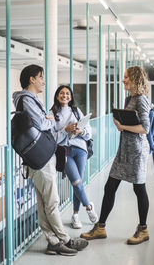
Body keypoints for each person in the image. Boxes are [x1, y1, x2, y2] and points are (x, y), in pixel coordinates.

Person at [12, 65, 88, 256]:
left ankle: (53, 241)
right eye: (41, 77)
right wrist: (51, 119)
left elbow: (43, 123)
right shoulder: (27, 99)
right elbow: (43, 123)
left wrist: (48, 119)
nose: (43, 81)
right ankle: (65, 240)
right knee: (52, 202)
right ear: (32, 79)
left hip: (38, 156)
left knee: (43, 203)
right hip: (40, 158)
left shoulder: (29, 100)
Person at [80, 66, 151, 245]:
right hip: (124, 150)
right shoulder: (130, 98)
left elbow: (145, 128)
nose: (123, 80)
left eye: (126, 77)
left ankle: (143, 230)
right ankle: (100, 227)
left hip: (136, 151)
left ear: (134, 78)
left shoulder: (141, 100)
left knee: (139, 188)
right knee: (110, 186)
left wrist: (122, 126)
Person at [50, 85, 98, 229]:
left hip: (81, 149)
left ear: (70, 96)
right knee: (76, 182)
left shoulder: (76, 111)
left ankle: (75, 215)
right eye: (61, 93)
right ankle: (89, 207)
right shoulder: (52, 113)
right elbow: (52, 138)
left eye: (67, 93)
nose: (65, 95)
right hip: (65, 151)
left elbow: (88, 131)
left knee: (79, 184)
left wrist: (81, 131)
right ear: (57, 96)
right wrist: (65, 130)